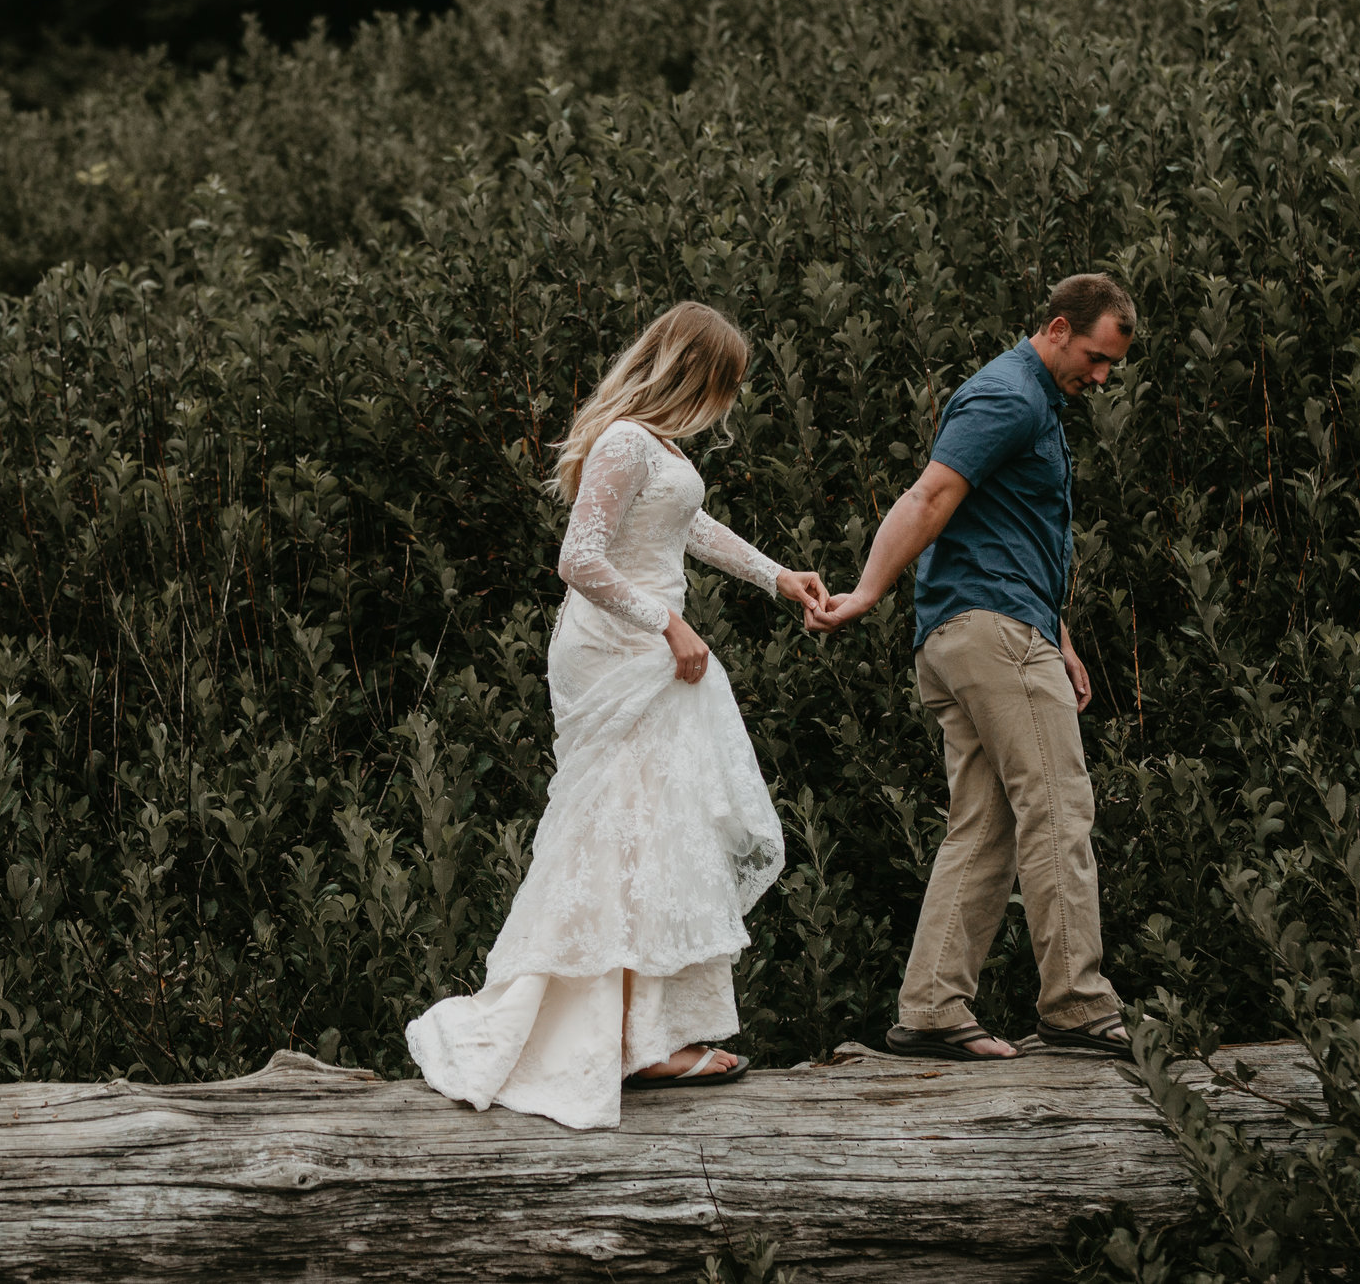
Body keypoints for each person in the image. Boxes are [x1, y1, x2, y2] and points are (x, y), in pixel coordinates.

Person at [406, 302, 830, 1129]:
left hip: (648, 649)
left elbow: (688, 525)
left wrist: (779, 576)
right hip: (615, 653)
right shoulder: (626, 440)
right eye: (725, 385)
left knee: (651, 832)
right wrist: (667, 622)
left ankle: (646, 1037)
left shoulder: (658, 447)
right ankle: (627, 1042)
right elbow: (578, 557)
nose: (728, 403)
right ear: (693, 372)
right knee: (618, 830)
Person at [807, 274, 1137, 1061]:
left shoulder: (1034, 403)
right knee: (1060, 805)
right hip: (991, 635)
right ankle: (1078, 1006)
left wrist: (1057, 633)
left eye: (1110, 368)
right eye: (1094, 357)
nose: (1100, 377)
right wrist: (866, 590)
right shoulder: (1010, 396)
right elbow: (930, 495)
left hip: (982, 629)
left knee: (984, 826)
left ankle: (928, 1008)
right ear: (1058, 327)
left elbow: (1006, 527)